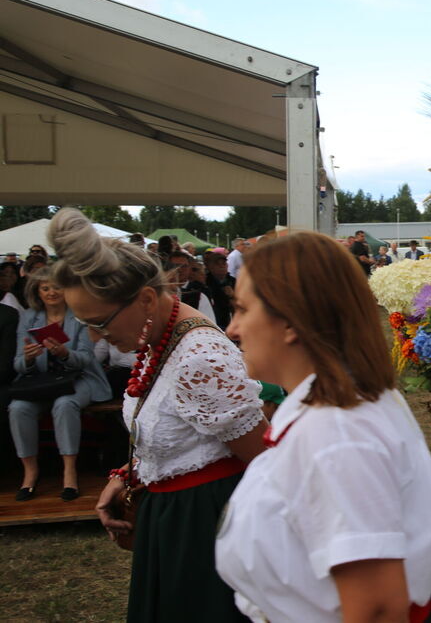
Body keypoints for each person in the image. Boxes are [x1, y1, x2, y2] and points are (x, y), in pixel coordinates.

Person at [216, 232, 431, 623]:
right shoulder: (337, 410)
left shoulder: (334, 430)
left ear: (290, 321)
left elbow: (376, 608)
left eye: (242, 310)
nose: (232, 329)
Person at [48, 208, 266, 622]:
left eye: (100, 322)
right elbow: (181, 431)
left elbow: (264, 459)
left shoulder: (197, 358)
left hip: (205, 528)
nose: (95, 335)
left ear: (146, 298)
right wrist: (130, 472)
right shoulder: (157, 338)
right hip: (175, 517)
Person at [9, 267, 109, 502]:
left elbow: (86, 358)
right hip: (40, 382)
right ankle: (30, 472)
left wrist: (65, 354)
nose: (51, 292)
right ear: (38, 292)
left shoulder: (79, 315)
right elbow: (18, 364)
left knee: (65, 404)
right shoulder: (28, 317)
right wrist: (29, 358)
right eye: (45, 288)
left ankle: (69, 472)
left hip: (77, 378)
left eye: (56, 287)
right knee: (18, 408)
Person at [205, 251, 235, 330]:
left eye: (224, 264)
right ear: (210, 267)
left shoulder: (234, 281)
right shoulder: (206, 282)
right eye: (218, 264)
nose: (221, 266)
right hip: (215, 322)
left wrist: (233, 296)